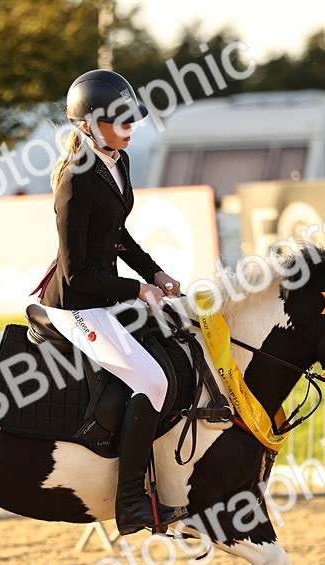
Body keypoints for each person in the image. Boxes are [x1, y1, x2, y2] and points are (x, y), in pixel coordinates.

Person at [39, 69, 188, 535]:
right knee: (153, 381)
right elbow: (75, 272)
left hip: (105, 294)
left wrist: (155, 273)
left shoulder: (116, 162)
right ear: (87, 126)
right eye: (119, 122)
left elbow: (117, 234)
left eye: (131, 121)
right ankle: (130, 503)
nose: (129, 129)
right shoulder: (74, 183)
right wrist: (136, 291)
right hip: (77, 306)